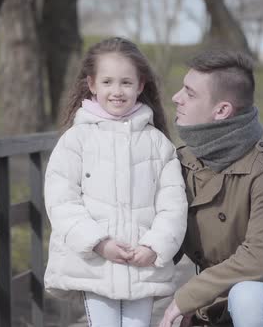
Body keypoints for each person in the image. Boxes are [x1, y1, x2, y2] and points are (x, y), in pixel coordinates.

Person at [158, 50, 263, 327]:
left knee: (247, 296)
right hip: (212, 308)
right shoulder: (180, 162)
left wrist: (187, 295)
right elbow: (165, 241)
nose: (177, 97)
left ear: (222, 110)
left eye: (190, 93)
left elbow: (259, 258)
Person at [43, 37, 187, 327]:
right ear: (92, 85)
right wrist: (97, 242)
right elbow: (61, 200)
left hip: (142, 263)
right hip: (95, 262)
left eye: (125, 82)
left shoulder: (158, 144)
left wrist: (155, 246)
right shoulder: (76, 140)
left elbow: (173, 204)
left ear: (141, 85)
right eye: (107, 82)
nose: (117, 91)